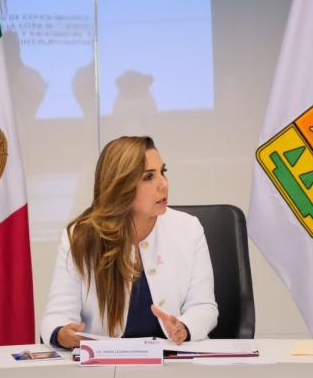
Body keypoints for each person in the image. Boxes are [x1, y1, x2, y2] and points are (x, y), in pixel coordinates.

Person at [41, 136, 217, 348]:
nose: (164, 184)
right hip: (106, 365)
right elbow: (55, 316)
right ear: (120, 186)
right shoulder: (79, 237)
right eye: (149, 177)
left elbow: (204, 307)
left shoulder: (189, 228)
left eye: (163, 172)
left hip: (174, 362)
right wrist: (62, 334)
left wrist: (184, 327)